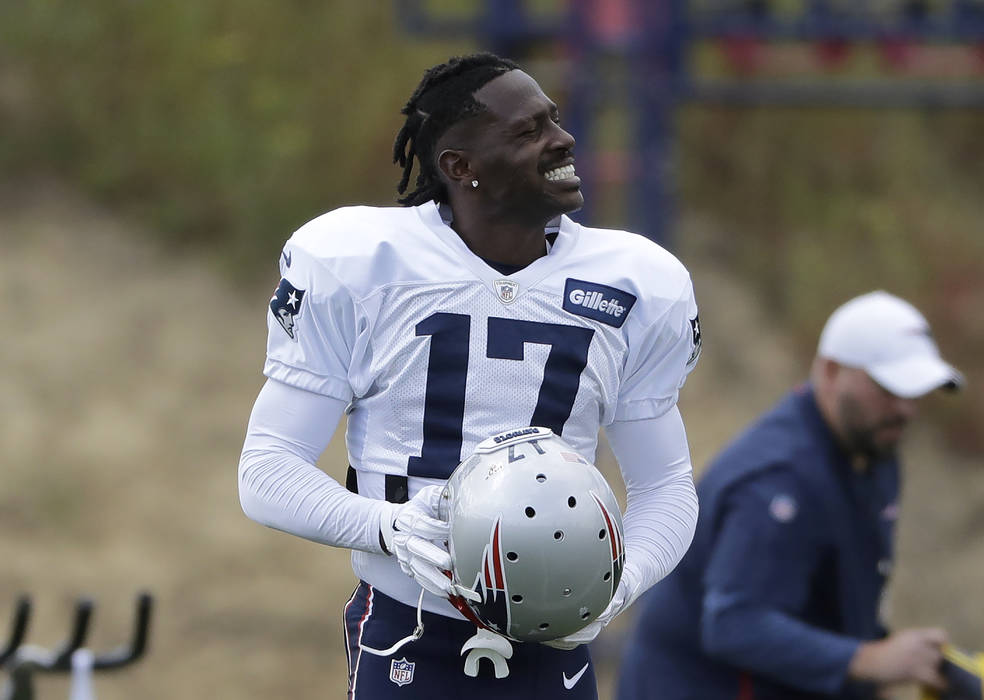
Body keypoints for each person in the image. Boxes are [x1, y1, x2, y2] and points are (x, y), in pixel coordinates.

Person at [237, 52, 702, 699]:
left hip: (557, 648)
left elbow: (667, 486)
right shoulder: (360, 263)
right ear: (460, 167)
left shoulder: (634, 281)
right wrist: (384, 526)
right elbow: (266, 469)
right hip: (410, 631)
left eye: (555, 120)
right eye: (527, 131)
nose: (561, 140)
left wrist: (620, 585)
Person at [617, 290, 965, 700]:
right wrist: (868, 659)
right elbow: (733, 625)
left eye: (915, 391)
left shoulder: (873, 449)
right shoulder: (779, 481)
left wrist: (876, 662)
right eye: (889, 388)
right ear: (831, 371)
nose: (905, 409)